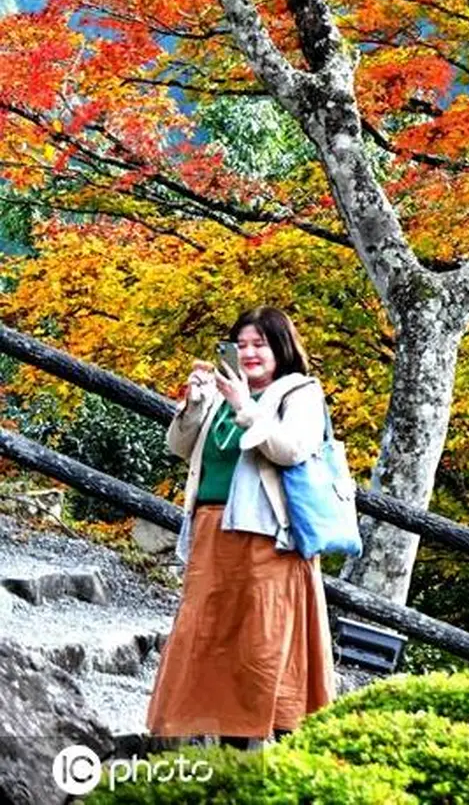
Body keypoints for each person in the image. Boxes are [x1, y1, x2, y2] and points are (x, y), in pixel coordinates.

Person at [146, 307, 336, 742]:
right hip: (212, 531)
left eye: (260, 344)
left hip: (267, 540)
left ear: (281, 348)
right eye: (242, 344)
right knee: (208, 638)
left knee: (262, 645)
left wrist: (245, 408)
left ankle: (269, 747)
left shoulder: (299, 392)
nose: (249, 353)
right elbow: (178, 447)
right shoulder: (220, 392)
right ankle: (212, 741)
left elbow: (292, 449)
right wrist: (195, 405)